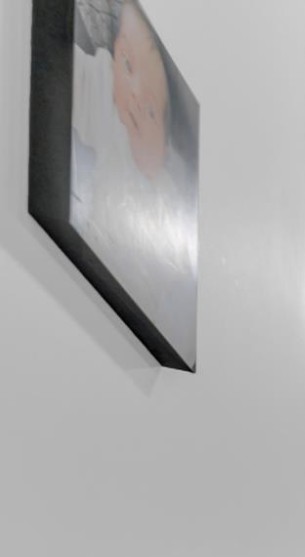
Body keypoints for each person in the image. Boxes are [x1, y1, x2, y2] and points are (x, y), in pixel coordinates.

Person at [65, 0, 199, 358]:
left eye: (152, 111)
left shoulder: (173, 193)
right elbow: (75, 77)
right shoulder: (110, 107)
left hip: (145, 302)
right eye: (126, 64)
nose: (134, 96)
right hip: (97, 285)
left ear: (167, 148)